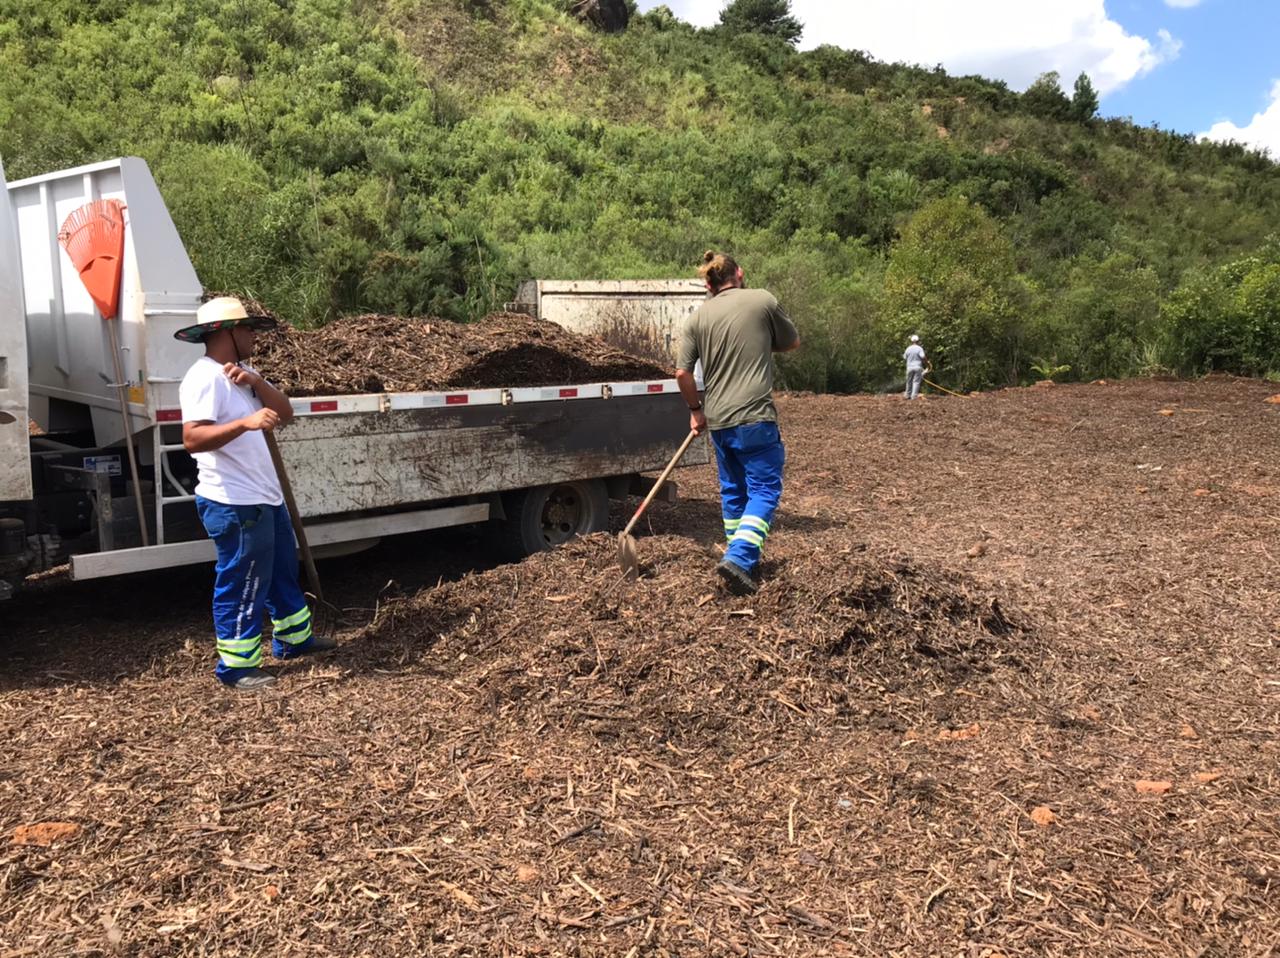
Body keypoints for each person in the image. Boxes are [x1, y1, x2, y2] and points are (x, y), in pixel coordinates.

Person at [176, 297, 335, 691]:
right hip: (236, 503)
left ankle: (295, 641)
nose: (252, 337)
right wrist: (246, 422)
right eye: (246, 329)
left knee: (282, 571)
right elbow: (192, 438)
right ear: (225, 333)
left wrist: (258, 383)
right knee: (243, 581)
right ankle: (236, 667)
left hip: (265, 497)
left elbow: (286, 412)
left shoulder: (243, 373)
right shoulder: (204, 377)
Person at [676, 251, 800, 596]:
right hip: (755, 417)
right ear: (740, 273)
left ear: (708, 284)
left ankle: (739, 557)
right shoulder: (762, 301)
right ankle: (741, 559)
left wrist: (695, 410)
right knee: (764, 490)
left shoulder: (697, 318)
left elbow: (682, 373)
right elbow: (792, 342)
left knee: (733, 491)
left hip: (719, 421)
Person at [903, 334, 927, 400]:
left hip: (909, 367)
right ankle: (914, 396)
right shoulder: (919, 348)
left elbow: (905, 357)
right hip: (918, 367)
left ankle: (907, 395)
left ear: (911, 341)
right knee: (916, 381)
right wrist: (926, 362)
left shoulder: (908, 348)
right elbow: (923, 356)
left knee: (909, 381)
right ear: (918, 341)